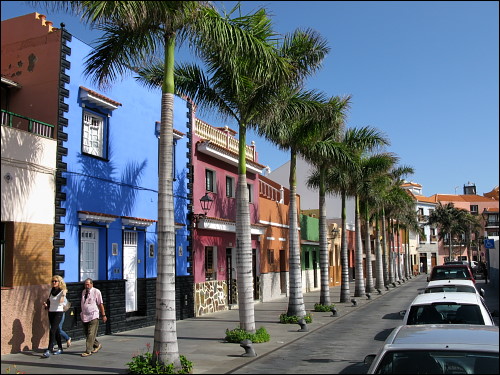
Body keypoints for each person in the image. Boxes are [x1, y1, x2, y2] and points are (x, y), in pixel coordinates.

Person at [80, 278, 107, 357]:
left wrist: (103, 315)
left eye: (88, 284)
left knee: (91, 333)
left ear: (92, 284)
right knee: (86, 333)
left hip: (93, 315)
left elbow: (100, 304)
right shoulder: (83, 292)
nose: (87, 286)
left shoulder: (96, 291)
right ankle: (97, 344)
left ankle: (88, 350)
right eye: (85, 284)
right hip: (85, 315)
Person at [42, 275, 67, 357]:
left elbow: (61, 302)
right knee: (56, 331)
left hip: (58, 312)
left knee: (52, 330)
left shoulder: (62, 291)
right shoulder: (51, 290)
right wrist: (46, 305)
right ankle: (60, 348)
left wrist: (63, 294)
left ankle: (49, 349)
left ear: (59, 282)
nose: (53, 283)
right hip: (51, 311)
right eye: (52, 281)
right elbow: (49, 300)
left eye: (55, 281)